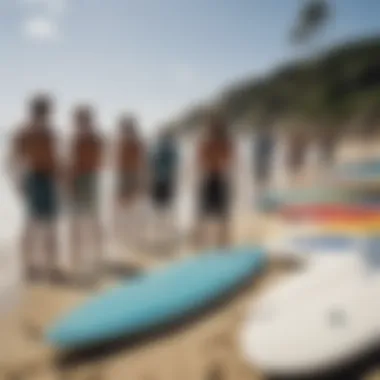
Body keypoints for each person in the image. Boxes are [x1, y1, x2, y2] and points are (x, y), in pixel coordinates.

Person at [8, 94, 60, 281]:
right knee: (33, 225)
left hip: (47, 179)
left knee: (48, 225)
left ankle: (48, 265)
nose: (48, 113)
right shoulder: (24, 131)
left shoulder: (49, 131)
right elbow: (12, 159)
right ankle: (30, 267)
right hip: (35, 178)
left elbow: (55, 158)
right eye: (46, 109)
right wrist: (19, 183)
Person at [67, 105, 104, 279]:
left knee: (79, 221)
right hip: (89, 178)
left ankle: (79, 257)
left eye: (77, 119)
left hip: (82, 179)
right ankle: (95, 255)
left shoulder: (78, 138)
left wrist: (68, 182)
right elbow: (101, 160)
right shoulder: (95, 137)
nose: (75, 122)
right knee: (91, 219)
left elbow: (70, 163)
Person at [194, 114, 236, 249]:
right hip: (218, 177)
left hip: (212, 177)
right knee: (220, 214)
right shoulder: (223, 142)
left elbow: (200, 161)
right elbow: (229, 160)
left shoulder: (209, 141)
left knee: (207, 214)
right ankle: (220, 244)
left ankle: (205, 243)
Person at [114, 115, 146, 246]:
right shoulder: (126, 141)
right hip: (126, 175)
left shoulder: (132, 142)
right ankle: (127, 237)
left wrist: (142, 182)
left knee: (129, 208)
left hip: (130, 175)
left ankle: (129, 238)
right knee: (126, 208)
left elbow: (142, 162)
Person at [149, 129, 179, 246]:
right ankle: (165, 232)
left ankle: (161, 233)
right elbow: (175, 167)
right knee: (166, 207)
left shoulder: (158, 149)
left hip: (161, 181)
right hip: (165, 181)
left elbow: (151, 166)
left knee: (160, 208)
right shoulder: (170, 149)